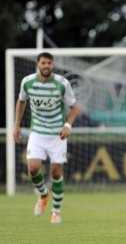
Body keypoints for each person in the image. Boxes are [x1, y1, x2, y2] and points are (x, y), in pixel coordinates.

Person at [13, 52, 81, 224]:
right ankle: (43, 194)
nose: (46, 66)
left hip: (57, 134)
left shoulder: (62, 83)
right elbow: (21, 101)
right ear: (38, 64)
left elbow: (74, 108)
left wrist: (67, 126)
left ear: (53, 65)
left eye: (49, 63)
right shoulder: (27, 82)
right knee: (33, 168)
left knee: (56, 172)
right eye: (43, 63)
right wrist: (16, 125)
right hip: (37, 132)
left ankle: (56, 212)